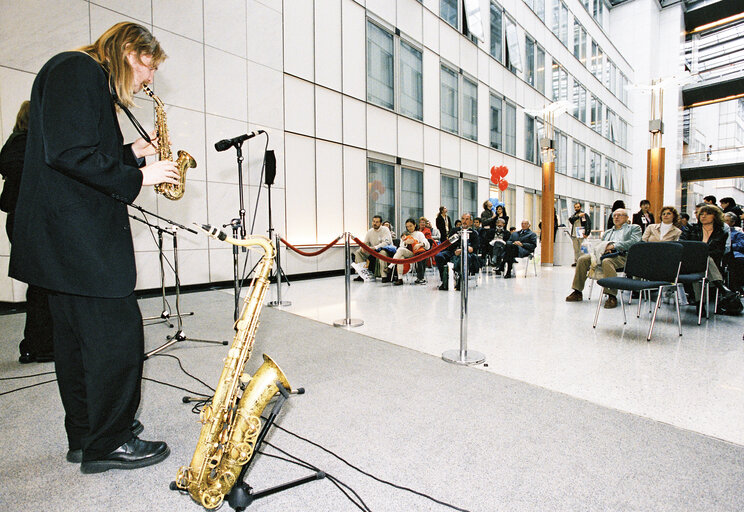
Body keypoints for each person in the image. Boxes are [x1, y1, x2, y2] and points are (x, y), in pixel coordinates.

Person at [9, 22, 180, 473]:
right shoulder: (79, 70)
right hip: (79, 240)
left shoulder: (75, 73)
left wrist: (130, 154)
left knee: (77, 344)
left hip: (62, 239)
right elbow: (68, 154)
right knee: (116, 340)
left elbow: (69, 153)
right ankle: (111, 441)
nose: (148, 80)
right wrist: (139, 177)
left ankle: (86, 437)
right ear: (127, 49)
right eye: (147, 67)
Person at [0, 101, 55, 364]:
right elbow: (10, 164)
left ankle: (37, 344)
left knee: (42, 285)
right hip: (27, 223)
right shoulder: (21, 142)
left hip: (27, 221)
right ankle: (38, 346)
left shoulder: (23, 142)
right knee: (42, 286)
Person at [566, 209, 641, 308]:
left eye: (619, 215)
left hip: (623, 256)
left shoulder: (634, 228)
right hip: (605, 254)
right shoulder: (608, 232)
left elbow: (634, 242)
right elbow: (601, 245)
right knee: (582, 259)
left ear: (627, 218)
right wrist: (606, 249)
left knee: (607, 261)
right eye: (614, 216)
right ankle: (577, 291)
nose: (616, 217)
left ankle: (611, 295)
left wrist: (614, 246)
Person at [681, 205, 739, 310]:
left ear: (715, 216)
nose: (703, 216)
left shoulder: (721, 233)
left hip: (709, 263)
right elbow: (683, 245)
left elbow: (719, 252)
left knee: (703, 264)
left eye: (708, 214)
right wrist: (700, 252)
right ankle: (722, 288)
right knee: (703, 260)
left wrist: (702, 253)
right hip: (688, 261)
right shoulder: (691, 228)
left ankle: (700, 304)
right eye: (701, 214)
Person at [436, 213, 479, 290]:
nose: (464, 221)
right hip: (453, 251)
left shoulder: (474, 233)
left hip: (467, 253)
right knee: (439, 256)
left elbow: (475, 247)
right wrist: (455, 250)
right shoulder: (454, 231)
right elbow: (449, 244)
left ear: (471, 222)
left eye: (467, 219)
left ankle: (460, 281)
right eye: (463, 219)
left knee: (464, 258)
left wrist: (464, 249)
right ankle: (444, 280)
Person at [352, 215, 393, 282]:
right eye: (373, 221)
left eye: (377, 222)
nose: (375, 223)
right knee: (358, 252)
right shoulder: (370, 231)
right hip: (373, 251)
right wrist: (363, 247)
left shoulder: (385, 229)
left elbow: (386, 242)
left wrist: (375, 247)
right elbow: (365, 242)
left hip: (384, 250)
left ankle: (384, 276)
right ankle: (363, 274)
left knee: (382, 253)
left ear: (380, 223)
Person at [390, 218, 429, 285]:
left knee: (402, 254)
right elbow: (401, 246)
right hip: (409, 253)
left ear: (415, 225)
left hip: (418, 253)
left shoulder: (419, 234)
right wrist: (405, 243)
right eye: (407, 226)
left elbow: (426, 243)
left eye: (410, 226)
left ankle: (391, 265)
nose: (409, 228)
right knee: (401, 255)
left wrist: (419, 244)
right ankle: (400, 278)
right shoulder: (405, 235)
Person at [723, 212, 744, 293]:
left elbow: (741, 245)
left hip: (736, 254)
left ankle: (735, 287)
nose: (725, 223)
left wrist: (730, 246)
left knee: (736, 261)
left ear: (733, 222)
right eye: (723, 220)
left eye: (727, 221)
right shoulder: (719, 232)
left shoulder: (738, 234)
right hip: (723, 253)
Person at [568, 202, 592, 266]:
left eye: (578, 207)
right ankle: (576, 261)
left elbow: (588, 224)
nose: (576, 208)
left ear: (580, 207)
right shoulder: (574, 216)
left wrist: (587, 233)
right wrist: (578, 216)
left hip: (581, 234)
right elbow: (571, 220)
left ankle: (583, 262)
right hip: (574, 234)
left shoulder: (584, 215)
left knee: (582, 249)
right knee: (576, 249)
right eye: (575, 207)